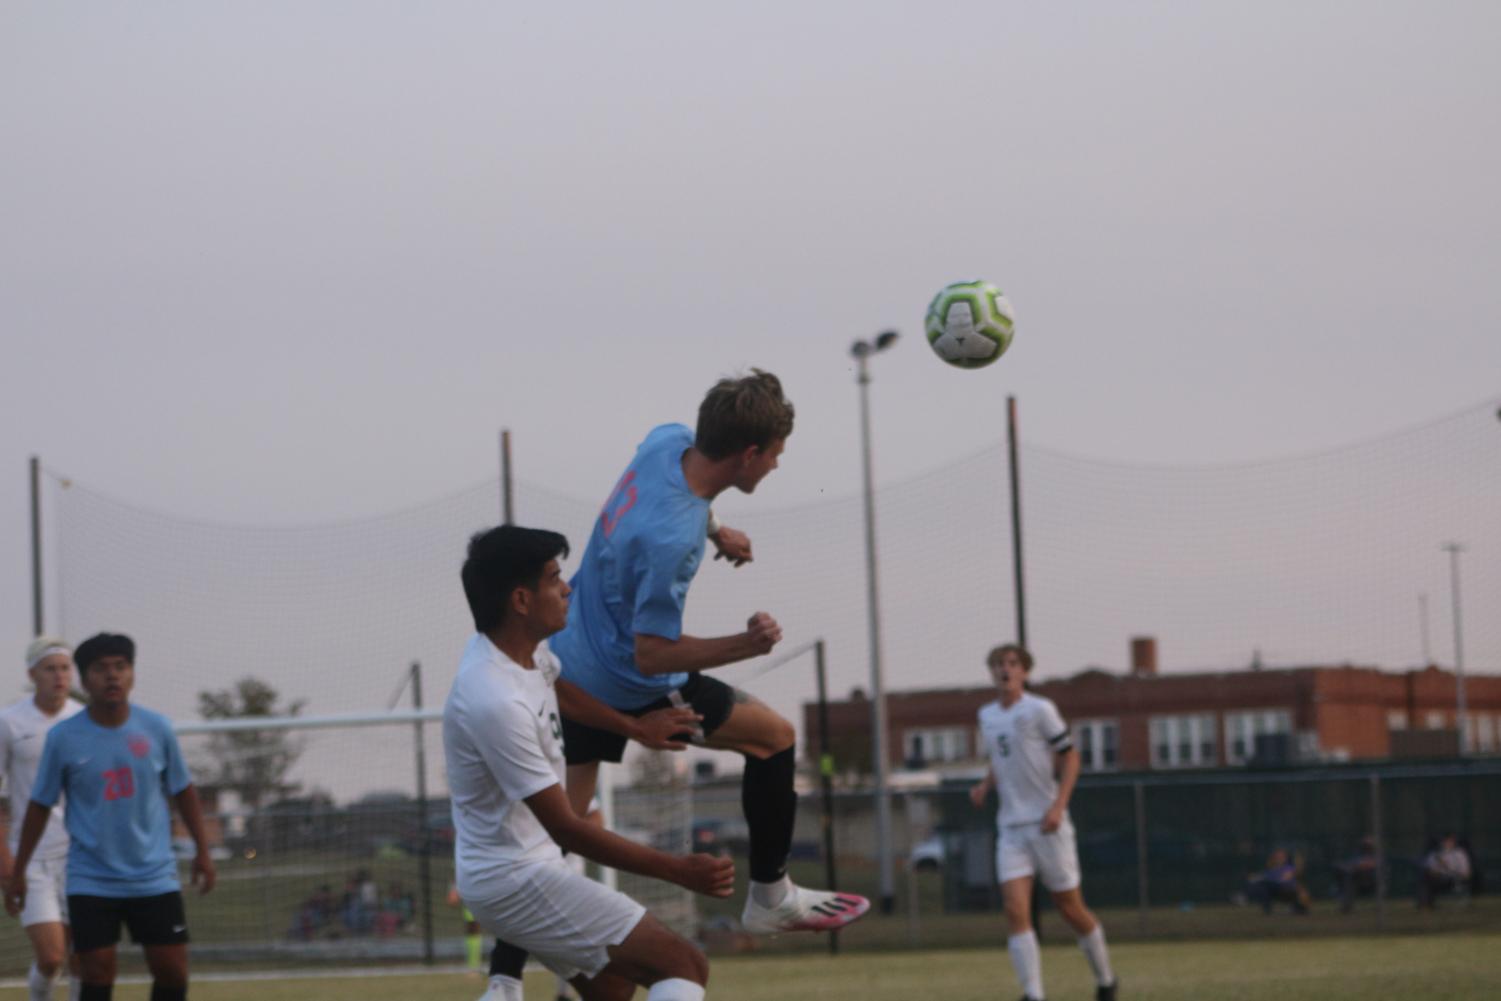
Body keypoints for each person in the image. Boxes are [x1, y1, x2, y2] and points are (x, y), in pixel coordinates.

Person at [551, 371, 869, 935]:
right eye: (774, 454)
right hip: (627, 681)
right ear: (748, 455)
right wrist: (745, 644)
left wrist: (718, 529)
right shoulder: (673, 540)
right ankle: (771, 895)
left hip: (569, 650)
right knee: (774, 739)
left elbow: (681, 491)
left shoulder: (666, 442)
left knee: (560, 834)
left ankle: (503, 979)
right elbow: (652, 655)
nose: (775, 465)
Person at [444, 524, 735, 1001]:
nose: (567, 589)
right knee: (683, 965)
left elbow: (559, 687)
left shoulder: (518, 653)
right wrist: (677, 869)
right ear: (520, 600)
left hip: (518, 872)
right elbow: (568, 829)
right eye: (555, 578)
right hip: (517, 879)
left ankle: (503, 986)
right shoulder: (492, 698)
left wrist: (635, 728)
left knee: (614, 990)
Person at [4, 633, 217, 1001]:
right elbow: (40, 804)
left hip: (154, 876)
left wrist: (203, 850)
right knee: (93, 971)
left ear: (132, 674)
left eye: (121, 667)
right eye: (101, 669)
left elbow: (183, 790)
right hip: (91, 877)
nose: (112, 676)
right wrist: (17, 868)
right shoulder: (62, 737)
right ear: (86, 681)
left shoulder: (157, 728)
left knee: (171, 971)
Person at [970, 644, 1117, 1001]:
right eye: (998, 664)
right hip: (1011, 829)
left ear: (1025, 672)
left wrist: (1058, 807)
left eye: (1012, 664)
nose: (1005, 669)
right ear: (992, 672)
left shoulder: (1040, 709)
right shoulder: (987, 714)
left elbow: (1071, 758)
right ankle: (1033, 994)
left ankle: (1105, 979)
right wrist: (986, 785)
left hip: (1047, 825)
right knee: (1014, 909)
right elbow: (1001, 756)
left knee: (1070, 908)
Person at [1, 637, 86, 1001]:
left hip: (81, 855)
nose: (59, 676)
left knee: (84, 957)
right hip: (30, 856)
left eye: (65, 668)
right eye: (50, 668)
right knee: (51, 957)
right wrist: (6, 863)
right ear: (32, 673)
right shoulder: (9, 722)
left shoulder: (84, 720)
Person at [1243, 848, 1310, 915]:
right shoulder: (1272, 869)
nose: (1279, 858)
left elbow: (1289, 877)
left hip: (1288, 891)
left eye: (1282, 856)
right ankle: (1267, 909)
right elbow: (1260, 877)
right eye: (1278, 857)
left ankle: (1298, 908)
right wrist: (1254, 877)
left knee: (1267, 884)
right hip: (1276, 891)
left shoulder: (1289, 868)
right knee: (1261, 886)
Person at [1418, 833, 1471, 908]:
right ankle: (1425, 904)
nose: (1447, 844)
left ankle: (1426, 904)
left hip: (1453, 879)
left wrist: (1449, 868)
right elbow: (1429, 868)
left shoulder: (1459, 854)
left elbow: (1466, 873)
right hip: (1438, 879)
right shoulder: (1435, 854)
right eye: (1446, 841)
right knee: (1426, 879)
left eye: (1450, 841)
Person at [1334, 836, 1378, 913]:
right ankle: (1346, 906)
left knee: (1349, 878)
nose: (1366, 847)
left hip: (1371, 880)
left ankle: (1346, 905)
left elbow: (1372, 864)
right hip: (1357, 880)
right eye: (1365, 845)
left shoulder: (1375, 855)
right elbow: (1350, 865)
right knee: (1346, 879)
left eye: (1368, 845)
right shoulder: (1357, 855)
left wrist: (1358, 866)